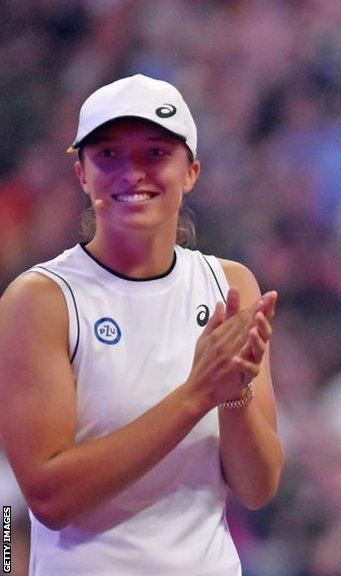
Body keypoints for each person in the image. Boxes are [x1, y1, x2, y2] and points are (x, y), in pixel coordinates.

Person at [0, 74, 283, 575]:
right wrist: (197, 394)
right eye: (108, 155)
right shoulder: (42, 300)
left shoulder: (230, 285)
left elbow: (258, 488)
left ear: (191, 172)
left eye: (155, 154)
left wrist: (234, 396)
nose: (132, 173)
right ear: (82, 174)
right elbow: (50, 497)